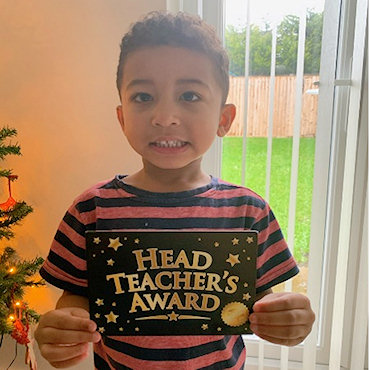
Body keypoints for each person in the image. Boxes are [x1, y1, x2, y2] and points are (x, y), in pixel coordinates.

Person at [35, 11, 315, 369]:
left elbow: (261, 302)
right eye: (143, 97)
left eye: (189, 95)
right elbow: (75, 297)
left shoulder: (248, 210)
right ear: (122, 118)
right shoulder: (92, 209)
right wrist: (64, 332)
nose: (164, 116)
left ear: (223, 119)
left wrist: (289, 319)